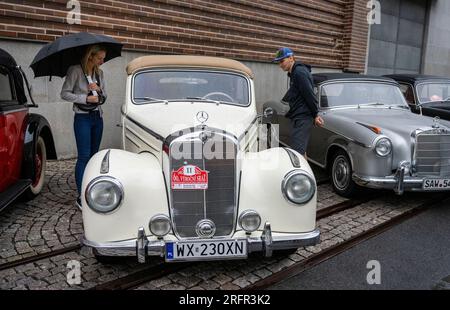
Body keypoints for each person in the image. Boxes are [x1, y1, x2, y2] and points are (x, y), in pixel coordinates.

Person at [61, 45, 107, 209]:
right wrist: (85, 98)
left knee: (94, 156)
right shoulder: (75, 70)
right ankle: (81, 197)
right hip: (82, 118)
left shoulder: (99, 73)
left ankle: (92, 191)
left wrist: (98, 89)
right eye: (100, 58)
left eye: (103, 58)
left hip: (97, 118)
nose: (103, 61)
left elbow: (105, 96)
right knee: (84, 157)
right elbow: (64, 93)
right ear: (90, 57)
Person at [273, 47, 324, 156]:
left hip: (303, 117)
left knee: (297, 153)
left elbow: (309, 94)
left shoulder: (299, 72)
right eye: (278, 62)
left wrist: (315, 114)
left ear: (291, 58)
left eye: (282, 61)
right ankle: (305, 173)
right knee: (300, 150)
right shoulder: (295, 72)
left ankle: (301, 172)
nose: (280, 65)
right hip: (299, 116)